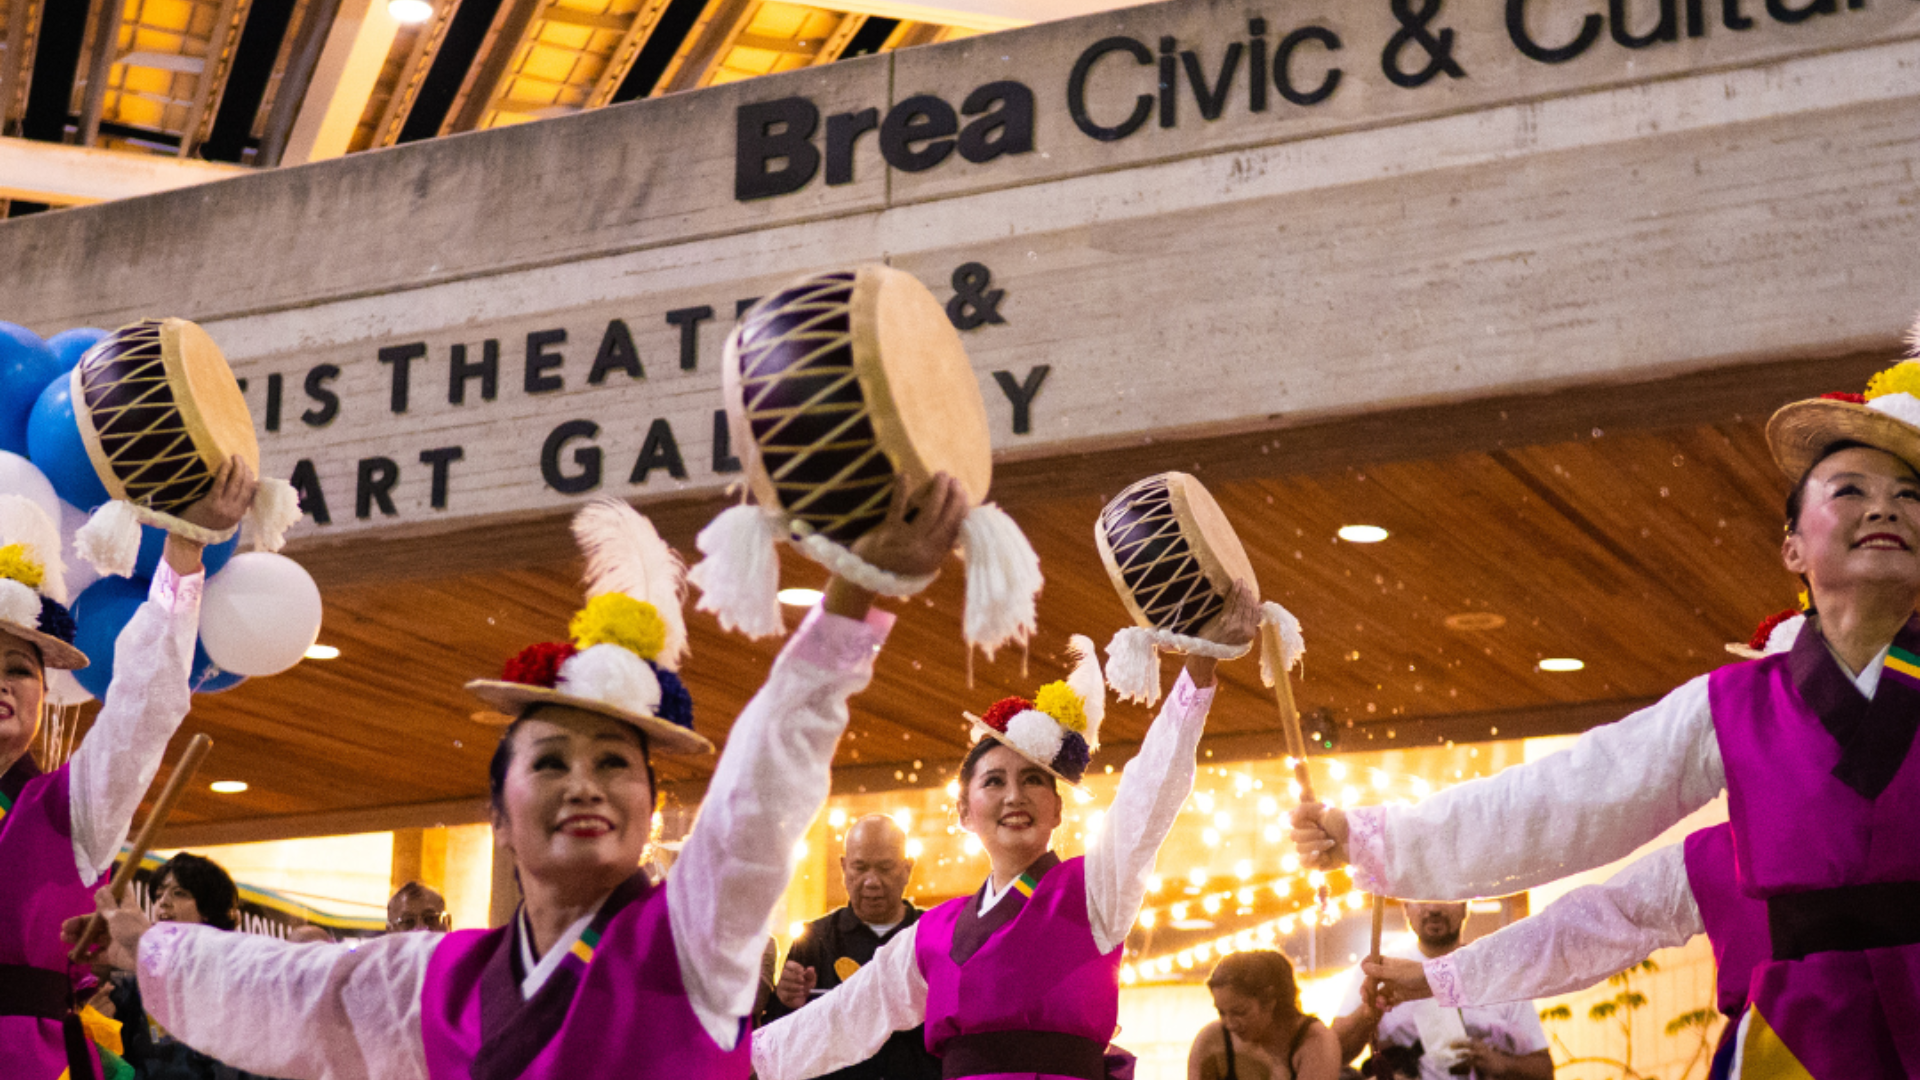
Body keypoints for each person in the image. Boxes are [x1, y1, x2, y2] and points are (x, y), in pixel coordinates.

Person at [69, 481, 968, 1080]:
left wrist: (856, 605)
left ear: (650, 806)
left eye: (614, 763)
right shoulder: (442, 978)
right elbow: (291, 990)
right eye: (549, 762)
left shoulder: (693, 940)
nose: (584, 784)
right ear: (500, 815)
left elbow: (763, 788)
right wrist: (137, 946)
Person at [1292, 362, 1920, 1076]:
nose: (1887, 508)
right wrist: (1383, 839)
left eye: (1911, 494)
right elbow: (1574, 799)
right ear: (1792, 548)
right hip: (1797, 1045)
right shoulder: (1733, 706)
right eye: (1850, 491)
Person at [753, 585, 1263, 1080]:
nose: (1014, 796)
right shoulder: (931, 934)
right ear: (965, 810)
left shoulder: (1093, 891)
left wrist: (1198, 669)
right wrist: (731, 1057)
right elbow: (842, 1018)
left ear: (1057, 809)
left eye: (1033, 780)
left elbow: (1147, 799)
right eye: (994, 781)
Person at [0, 461, 255, 1080]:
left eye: (18, 668)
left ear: (42, 694)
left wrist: (185, 547)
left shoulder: (72, 808)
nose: (1, 683)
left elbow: (145, 703)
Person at [762, 813, 939, 1080]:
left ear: (907, 870)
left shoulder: (934, 935)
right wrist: (786, 1003)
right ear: (844, 868)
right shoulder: (813, 940)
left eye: (885, 867)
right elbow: (777, 1045)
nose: (871, 881)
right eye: (860, 867)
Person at [1330, 903, 1549, 1080]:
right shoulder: (1380, 968)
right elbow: (1333, 1054)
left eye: (1445, 895)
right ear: (1406, 908)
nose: (1433, 908)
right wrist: (1371, 1010)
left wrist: (1500, 1064)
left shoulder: (1498, 973)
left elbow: (1544, 1070)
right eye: (1421, 897)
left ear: (1465, 905)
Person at [111, 852, 268, 1080]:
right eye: (158, 894)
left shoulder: (235, 984)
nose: (163, 901)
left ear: (208, 910)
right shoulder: (137, 985)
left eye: (179, 893)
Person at [1188, 950, 1340, 1080]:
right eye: (1221, 1012)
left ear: (1270, 1002)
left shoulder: (1315, 1042)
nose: (1230, 1024)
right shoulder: (1213, 1040)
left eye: (1240, 1012)